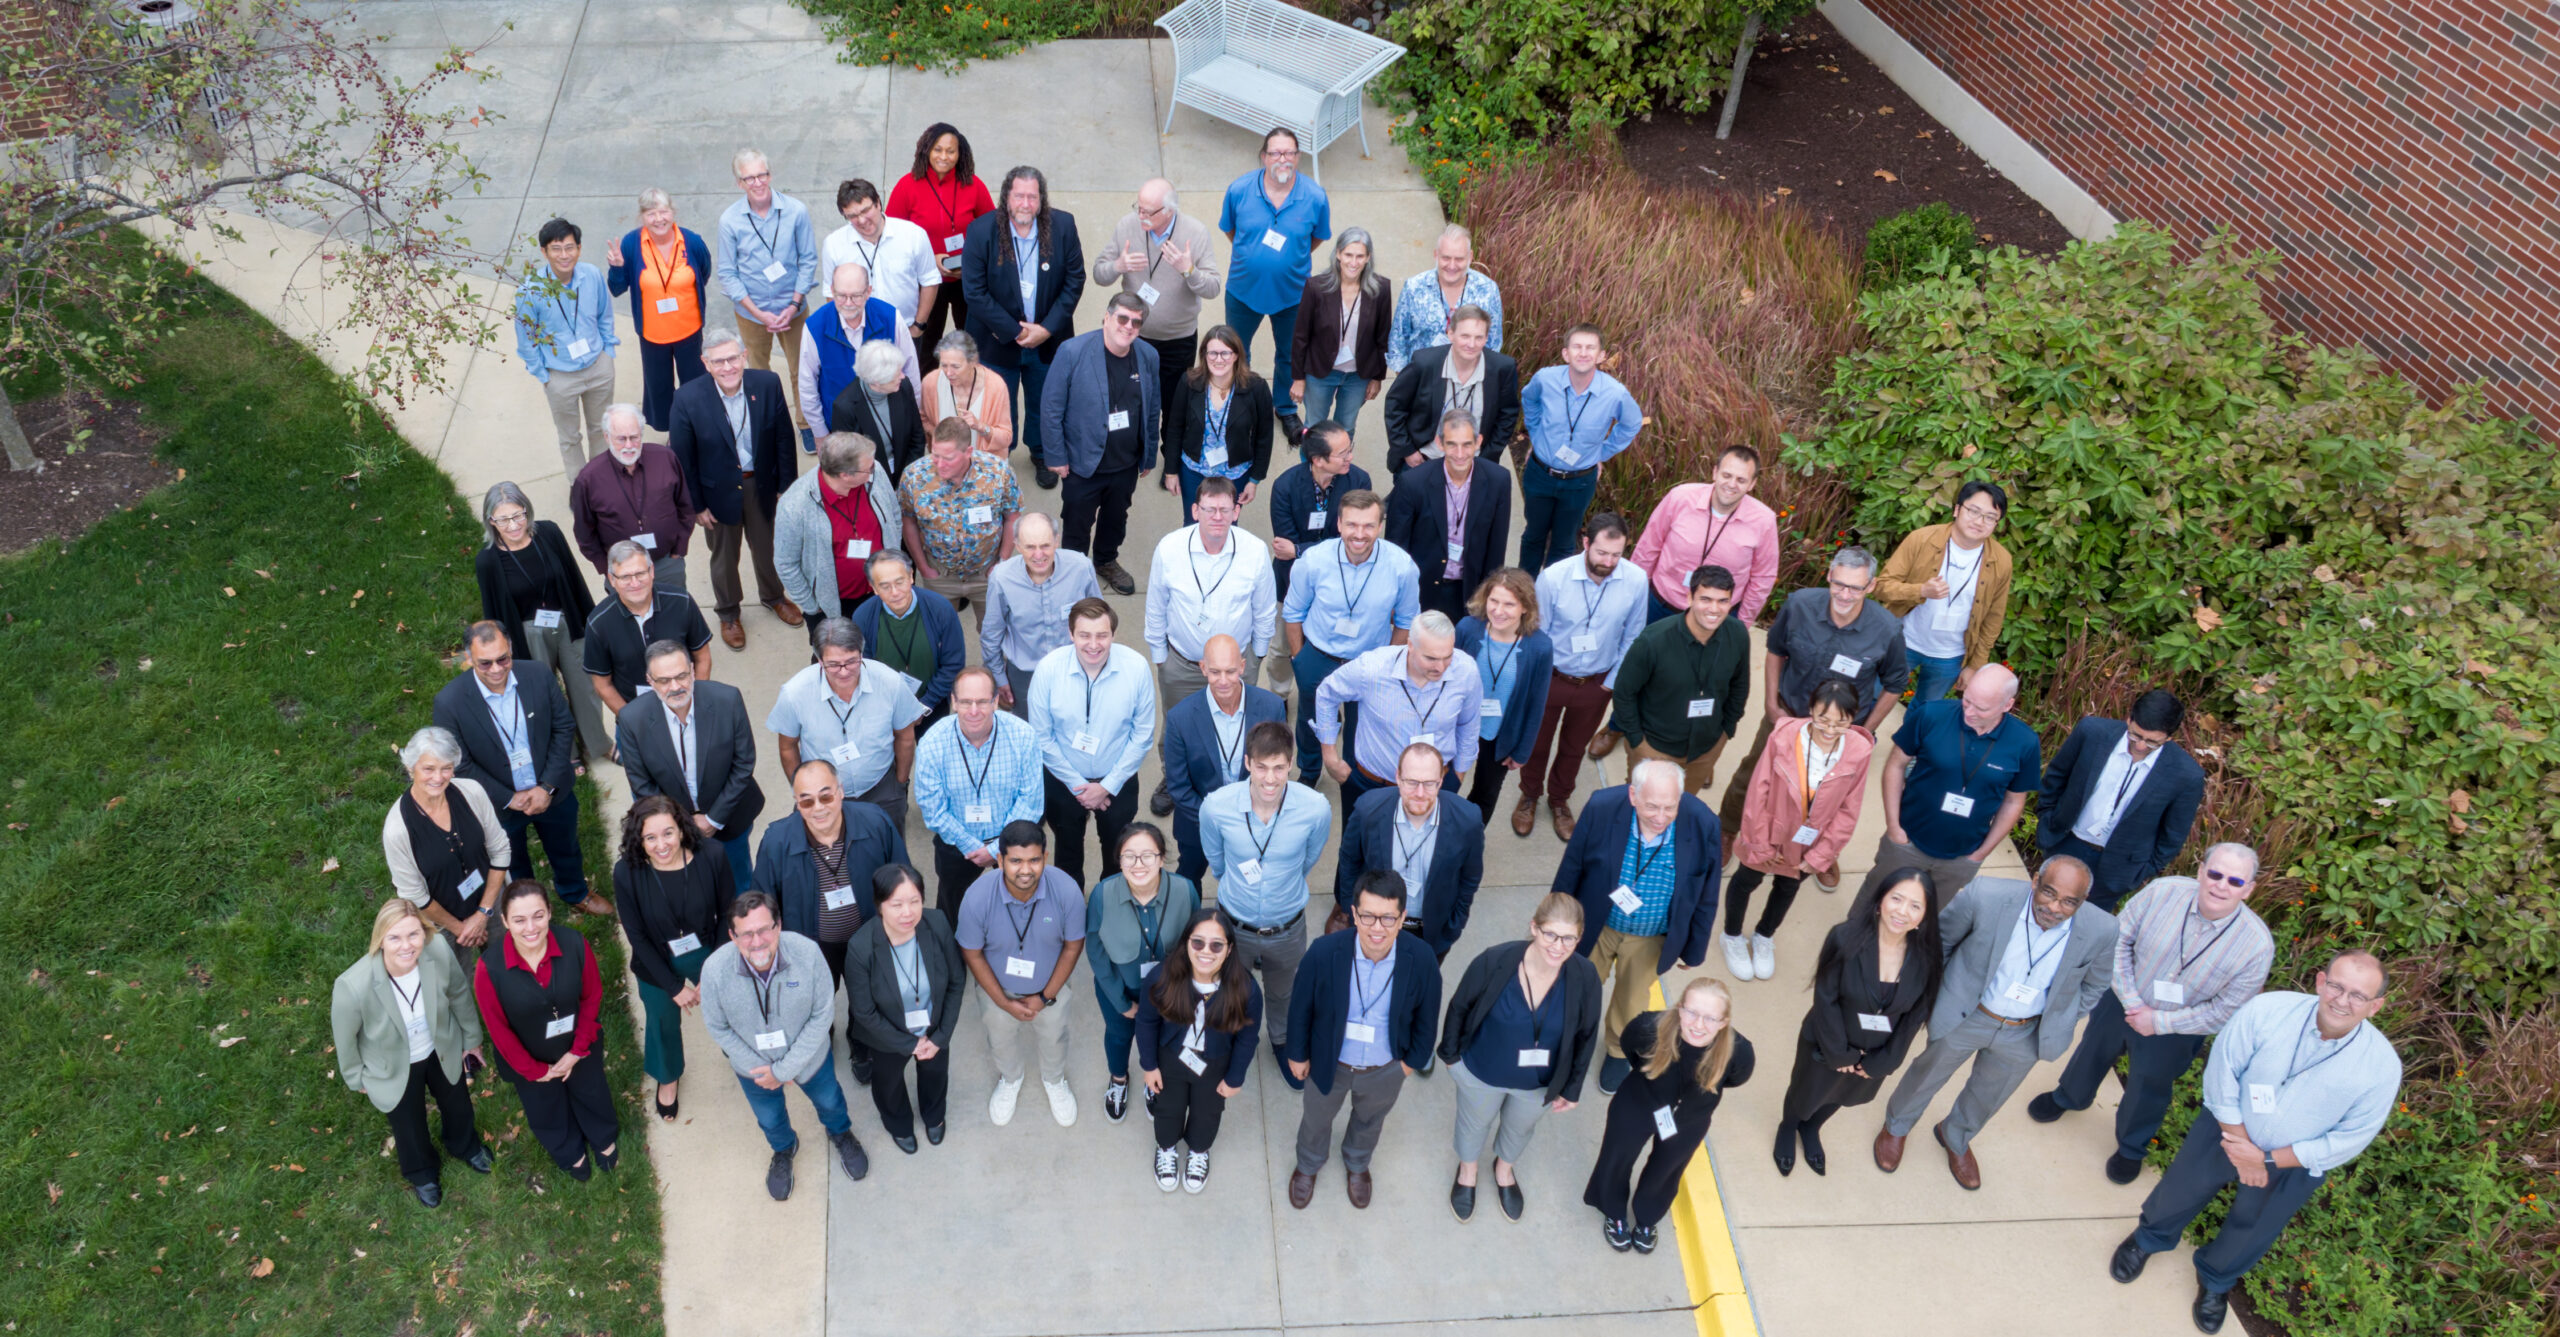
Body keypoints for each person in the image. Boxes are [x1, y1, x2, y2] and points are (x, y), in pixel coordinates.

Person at [2109, 952, 2402, 1335]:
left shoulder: (2381, 1066)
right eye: (2336, 986)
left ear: (2375, 1005)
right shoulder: (2268, 1010)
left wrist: (2265, 1159)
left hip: (2292, 1164)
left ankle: (2216, 1280)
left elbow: (2349, 1138)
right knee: (2181, 1189)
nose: (2342, 1000)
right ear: (2319, 981)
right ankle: (2148, 1238)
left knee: (2255, 1226)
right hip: (2226, 1130)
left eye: (2358, 996)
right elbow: (2223, 1072)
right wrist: (2242, 1146)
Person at [2031, 845, 2274, 1183]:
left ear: (2248, 889)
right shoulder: (2163, 892)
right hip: (2122, 998)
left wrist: (2158, 1022)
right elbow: (2118, 941)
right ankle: (2069, 1096)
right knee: (2092, 1051)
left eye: (2234, 881)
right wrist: (2132, 1002)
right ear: (2201, 871)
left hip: (2178, 1029)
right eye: (2215, 874)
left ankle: (2131, 1146)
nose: (2221, 885)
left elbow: (2225, 1010)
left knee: (2150, 1085)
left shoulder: (2256, 946)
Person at [1874, 857, 2118, 1190]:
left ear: (2082, 901)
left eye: (2069, 902)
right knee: (1927, 1074)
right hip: (1969, 1013)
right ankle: (1897, 1126)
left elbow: (2095, 985)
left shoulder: (2102, 930)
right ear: (2035, 881)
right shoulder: (1985, 895)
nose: (2055, 907)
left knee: (1989, 1094)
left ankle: (1955, 1135)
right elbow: (1939, 944)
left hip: (2027, 1031)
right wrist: (1934, 998)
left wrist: (2061, 1019)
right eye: (2049, 893)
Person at [1555, 759, 1724, 1094]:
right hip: (1597, 924)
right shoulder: (1602, 807)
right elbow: (1572, 864)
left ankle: (1618, 1049)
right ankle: (1568, 1040)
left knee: (1632, 1000)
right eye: (1651, 807)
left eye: (1669, 807)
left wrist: (1695, 947)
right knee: (1575, 986)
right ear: (1633, 795)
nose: (1660, 817)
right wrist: (1558, 921)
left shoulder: (1703, 823)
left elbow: (1707, 890)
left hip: (1651, 935)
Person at [1713, 546, 1904, 837]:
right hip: (1788, 715)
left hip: (1839, 730)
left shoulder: (1887, 629)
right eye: (1838, 584)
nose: (1844, 594)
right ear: (1829, 576)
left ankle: (1816, 849)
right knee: (1753, 774)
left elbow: (1895, 684)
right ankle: (1726, 829)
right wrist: (1771, 705)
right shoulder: (1799, 605)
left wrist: (1863, 731)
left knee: (1828, 793)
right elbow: (1776, 651)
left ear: (1871, 586)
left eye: (1855, 588)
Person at [1285, 870, 1443, 1211]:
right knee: (1316, 1117)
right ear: (1354, 914)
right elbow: (1300, 1008)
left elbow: (1427, 1019)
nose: (1377, 928)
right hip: (1330, 1061)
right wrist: (1297, 1054)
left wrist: (1408, 1064)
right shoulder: (1324, 952)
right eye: (1368, 915)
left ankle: (1357, 1163)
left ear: (1402, 918)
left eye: (1388, 918)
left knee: (1370, 1119)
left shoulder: (1422, 960)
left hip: (1384, 1067)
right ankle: (1309, 1164)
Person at [1438, 893, 1602, 1221]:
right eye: (1550, 934)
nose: (1558, 946)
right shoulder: (1494, 961)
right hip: (1482, 1073)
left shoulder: (1585, 977)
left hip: (1538, 1084)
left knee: (1519, 1129)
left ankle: (1504, 1170)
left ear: (1579, 938)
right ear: (1534, 928)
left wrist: (1572, 1087)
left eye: (1569, 938)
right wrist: (1452, 1059)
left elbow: (1587, 1033)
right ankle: (1467, 1172)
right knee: (1473, 1126)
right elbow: (1459, 1007)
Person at [699, 891, 870, 1200]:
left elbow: (822, 1014)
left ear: (778, 925)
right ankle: (783, 1148)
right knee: (769, 1118)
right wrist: (765, 1070)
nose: (757, 941)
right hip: (754, 1069)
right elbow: (718, 1027)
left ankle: (840, 1132)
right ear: (732, 936)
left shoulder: (808, 954)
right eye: (746, 933)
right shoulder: (713, 971)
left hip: (809, 1060)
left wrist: (785, 1068)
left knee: (830, 1101)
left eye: (765, 929)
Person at [1772, 867, 1941, 1177]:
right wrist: (1841, 1054)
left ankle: (1812, 1129)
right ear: (1880, 900)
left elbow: (1915, 1016)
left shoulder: (1927, 958)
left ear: (1925, 915)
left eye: (1915, 905)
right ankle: (1789, 1127)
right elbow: (1825, 998)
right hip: (1829, 1041)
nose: (1903, 911)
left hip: (1875, 1055)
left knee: (1841, 1095)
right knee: (1805, 1091)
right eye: (1897, 899)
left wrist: (1884, 1062)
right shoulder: (1844, 937)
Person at [434, 621, 604, 917]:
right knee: (511, 860)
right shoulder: (449, 702)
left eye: (503, 659)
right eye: (485, 663)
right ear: (468, 659)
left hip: (552, 790)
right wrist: (510, 798)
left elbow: (563, 728)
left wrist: (547, 786)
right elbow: (459, 765)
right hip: (499, 804)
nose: (497, 669)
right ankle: (527, 909)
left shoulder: (538, 675)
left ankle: (575, 891)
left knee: (566, 847)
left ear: (511, 649)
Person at [332, 898, 494, 1208]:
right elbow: (345, 1039)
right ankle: (422, 1172)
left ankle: (464, 1145)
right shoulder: (352, 985)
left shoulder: (438, 952)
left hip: (440, 1046)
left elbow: (459, 993)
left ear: (425, 933)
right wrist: (356, 1077)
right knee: (408, 1122)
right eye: (395, 937)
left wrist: (471, 1040)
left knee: (457, 1102)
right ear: (380, 939)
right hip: (392, 1062)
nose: (406, 946)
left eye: (413, 935)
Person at [755, 759, 909, 1080]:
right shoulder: (776, 841)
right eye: (807, 800)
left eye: (825, 796)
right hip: (811, 945)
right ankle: (820, 1035)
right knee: (814, 1000)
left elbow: (901, 877)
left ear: (840, 793)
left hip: (866, 940)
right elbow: (763, 903)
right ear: (797, 804)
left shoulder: (875, 822)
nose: (818, 808)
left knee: (865, 997)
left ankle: (860, 1039)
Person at [1199, 721, 1332, 1086]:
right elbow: (1217, 861)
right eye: (1261, 767)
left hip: (1287, 927)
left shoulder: (1315, 808)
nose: (1270, 778)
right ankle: (1231, 1043)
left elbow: (1308, 860)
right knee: (1231, 991)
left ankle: (1280, 1040)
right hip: (1234, 925)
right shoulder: (1217, 807)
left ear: (1290, 764)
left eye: (1278, 767)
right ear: (1247, 763)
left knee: (1284, 992)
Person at [1583, 977, 1752, 1253]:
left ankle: (1647, 1217)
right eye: (1692, 1012)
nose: (1698, 1025)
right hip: (1639, 1101)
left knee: (1667, 1169)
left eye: (1710, 1018)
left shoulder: (1739, 1051)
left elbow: (1736, 1078)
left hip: (1690, 1117)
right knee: (1617, 1156)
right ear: (1679, 1009)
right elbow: (1630, 1047)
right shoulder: (1649, 1028)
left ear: (1724, 1022)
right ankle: (1613, 1210)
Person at [1723, 679, 1874, 981]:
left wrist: (1822, 855)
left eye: (1840, 723)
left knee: (1788, 887)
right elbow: (1758, 791)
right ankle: (1731, 936)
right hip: (1770, 830)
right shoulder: (1783, 736)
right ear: (1811, 710)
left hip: (1809, 841)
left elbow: (1849, 809)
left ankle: (1765, 935)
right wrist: (1759, 842)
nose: (1830, 730)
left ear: (1854, 716)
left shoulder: (1859, 750)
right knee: (1746, 880)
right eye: (1822, 719)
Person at [1144, 475, 1277, 817]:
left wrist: (1257, 655)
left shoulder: (1254, 551)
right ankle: (1172, 780)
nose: (1217, 517)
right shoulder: (1170, 548)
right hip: (1183, 663)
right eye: (1209, 509)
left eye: (1224, 509)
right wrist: (1161, 658)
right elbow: (1156, 606)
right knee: (1177, 724)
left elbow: (1264, 610)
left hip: (1236, 665)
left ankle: (1235, 778)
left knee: (1235, 724)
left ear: (1236, 511)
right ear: (1194, 510)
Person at [471, 879, 620, 1181]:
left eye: (538, 915)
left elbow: (591, 997)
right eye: (519, 919)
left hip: (578, 1041)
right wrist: (534, 1070)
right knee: (545, 1106)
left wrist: (578, 1051)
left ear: (550, 912)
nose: (530, 928)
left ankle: (602, 1135)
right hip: (528, 1055)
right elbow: (498, 1030)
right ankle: (568, 1148)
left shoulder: (575, 944)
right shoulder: (489, 968)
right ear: (504, 921)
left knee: (591, 1090)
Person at [668, 326, 800, 649]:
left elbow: (784, 437)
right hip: (716, 495)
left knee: (768, 548)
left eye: (733, 359)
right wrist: (696, 505)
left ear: (744, 356)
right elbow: (682, 459)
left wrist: (787, 486)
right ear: (705, 363)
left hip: (763, 485)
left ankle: (773, 596)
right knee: (724, 558)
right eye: (718, 362)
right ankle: (728, 613)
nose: (727, 368)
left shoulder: (768, 384)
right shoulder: (687, 398)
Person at [1521, 512, 1650, 837]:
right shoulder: (1553, 578)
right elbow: (1537, 633)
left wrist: (1610, 684)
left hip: (1595, 683)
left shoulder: (1635, 580)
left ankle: (1560, 800)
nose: (1608, 562)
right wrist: (1538, 680)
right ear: (1586, 542)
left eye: (1616, 555)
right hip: (1552, 678)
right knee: (1537, 744)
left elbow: (1633, 636)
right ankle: (1529, 795)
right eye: (1602, 553)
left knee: (1574, 747)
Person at [1862, 664, 2041, 897]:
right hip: (1907, 840)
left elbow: (2014, 801)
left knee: (1926, 922)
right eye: (1967, 700)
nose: (1969, 712)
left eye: (1982, 708)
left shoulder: (2025, 742)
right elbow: (1896, 764)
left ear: (2007, 705)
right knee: (1873, 900)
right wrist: (1894, 828)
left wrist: (1980, 854)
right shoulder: (1930, 715)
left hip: (1961, 857)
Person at [1278, 487, 1419, 783]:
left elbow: (1406, 621)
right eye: (1352, 524)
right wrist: (1298, 658)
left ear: (1380, 526)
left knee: (1365, 722)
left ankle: (1356, 772)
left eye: (1369, 525)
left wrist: (1389, 663)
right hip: (1318, 655)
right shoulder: (1313, 561)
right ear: (1339, 524)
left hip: (1369, 660)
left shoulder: (1402, 568)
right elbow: (1293, 613)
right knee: (1311, 717)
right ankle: (1310, 768)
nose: (1360, 534)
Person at [612, 795, 736, 1123]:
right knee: (662, 1019)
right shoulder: (627, 872)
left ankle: (740, 1051)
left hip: (710, 947)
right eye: (650, 837)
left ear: (681, 829)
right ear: (639, 839)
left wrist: (714, 969)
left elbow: (728, 912)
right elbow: (636, 936)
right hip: (655, 957)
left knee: (731, 1003)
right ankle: (668, 1075)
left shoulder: (713, 855)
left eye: (667, 833)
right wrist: (673, 986)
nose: (661, 845)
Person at [956, 820, 1089, 1125]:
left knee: (1055, 1037)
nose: (1025, 870)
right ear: (999, 860)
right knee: (999, 1039)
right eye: (1015, 861)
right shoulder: (977, 897)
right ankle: (1011, 1078)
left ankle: (1054, 1080)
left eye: (1034, 860)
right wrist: (1003, 1003)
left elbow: (1073, 947)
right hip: (997, 993)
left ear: (1045, 856)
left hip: (1050, 990)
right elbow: (972, 954)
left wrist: (1045, 996)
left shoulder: (1066, 891)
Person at [962, 165, 1084, 488]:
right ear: (1006, 197)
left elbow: (1074, 281)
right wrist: (1016, 331)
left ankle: (1041, 452)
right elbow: (974, 293)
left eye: (1033, 196)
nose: (1026, 203)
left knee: (1044, 400)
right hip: (995, 341)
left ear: (1041, 199)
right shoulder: (980, 231)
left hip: (1047, 339)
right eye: (1019, 196)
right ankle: (1001, 455)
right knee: (999, 404)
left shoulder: (1063, 226)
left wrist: (1045, 328)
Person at [614, 640, 765, 892]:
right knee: (693, 889)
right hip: (673, 830)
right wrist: (679, 824)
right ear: (650, 681)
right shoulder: (631, 719)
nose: (675, 687)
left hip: (730, 817)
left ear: (693, 671)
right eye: (664, 680)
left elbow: (743, 763)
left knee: (740, 883)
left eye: (682, 676)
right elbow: (641, 783)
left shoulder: (728, 700)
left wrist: (714, 818)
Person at [2035, 690, 2206, 913]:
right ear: (2129, 719)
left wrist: (2140, 871)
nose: (2141, 746)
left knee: (2086, 929)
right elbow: (2057, 775)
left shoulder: (2186, 774)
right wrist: (2047, 818)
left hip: (2116, 868)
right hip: (2065, 841)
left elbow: (2173, 835)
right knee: (2041, 909)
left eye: (2152, 742)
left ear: (2170, 737)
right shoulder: (2091, 732)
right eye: (2135, 735)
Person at [472, 484, 608, 760]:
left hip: (567, 621)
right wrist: (502, 652)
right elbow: (493, 610)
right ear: (491, 521)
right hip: (527, 634)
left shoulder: (549, 533)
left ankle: (599, 745)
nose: (513, 525)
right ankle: (566, 752)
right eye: (503, 519)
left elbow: (573, 576)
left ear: (527, 510)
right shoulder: (487, 560)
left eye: (518, 515)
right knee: (543, 696)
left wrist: (591, 621)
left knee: (586, 687)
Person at [1027, 597, 1156, 884]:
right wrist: (1079, 786)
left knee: (1117, 852)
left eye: (1102, 635)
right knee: (1067, 853)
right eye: (1084, 635)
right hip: (1063, 781)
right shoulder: (1048, 670)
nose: (1093, 644)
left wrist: (1107, 786)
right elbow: (1041, 737)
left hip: (1118, 781)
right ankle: (1069, 911)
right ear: (1071, 634)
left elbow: (1142, 735)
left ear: (1113, 634)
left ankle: (1108, 909)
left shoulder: (1136, 668)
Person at [842, 863, 967, 1153]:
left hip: (934, 1027)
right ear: (880, 905)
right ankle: (898, 1124)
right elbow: (863, 1011)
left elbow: (956, 983)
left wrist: (939, 1037)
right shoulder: (861, 947)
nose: (907, 913)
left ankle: (934, 1116)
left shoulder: (937, 924)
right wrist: (910, 1043)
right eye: (896, 904)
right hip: (888, 1037)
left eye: (915, 902)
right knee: (888, 1084)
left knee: (936, 1074)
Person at [1041, 291, 1159, 594]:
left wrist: (1148, 456)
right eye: (1122, 318)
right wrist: (1055, 455)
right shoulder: (1072, 351)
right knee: (1077, 523)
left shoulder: (1147, 356)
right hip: (1082, 463)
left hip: (1126, 462)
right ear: (1106, 318)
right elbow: (1052, 407)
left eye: (1136, 322)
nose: (1128, 326)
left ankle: (1106, 560)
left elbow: (1153, 406)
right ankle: (1073, 571)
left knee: (1116, 520)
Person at [1085, 823, 1203, 1125]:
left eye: (1147, 855)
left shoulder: (1184, 890)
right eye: (1129, 856)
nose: (1138, 864)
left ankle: (1154, 1081)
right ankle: (1119, 1080)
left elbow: (1195, 943)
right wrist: (1122, 1003)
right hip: (1121, 989)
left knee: (1163, 1040)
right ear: (1119, 860)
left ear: (1162, 858)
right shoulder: (1102, 894)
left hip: (1170, 991)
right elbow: (1096, 951)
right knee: (1119, 1035)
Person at [1137, 907, 1261, 1192]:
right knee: (1168, 1107)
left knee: (1208, 1111)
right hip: (1171, 1056)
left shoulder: (1246, 989)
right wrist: (1149, 1065)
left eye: (1217, 945)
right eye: (1198, 942)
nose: (1207, 951)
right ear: (1186, 943)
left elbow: (1247, 1037)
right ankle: (1166, 1148)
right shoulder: (1162, 978)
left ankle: (1198, 1151)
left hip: (1216, 1062)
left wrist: (1235, 1078)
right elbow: (1146, 1021)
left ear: (1229, 950)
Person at [1220, 127, 1331, 444]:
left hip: (1293, 295)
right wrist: (1254, 255)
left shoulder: (1314, 197)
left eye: (1289, 153)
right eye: (1275, 153)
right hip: (1243, 291)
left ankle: (1284, 408)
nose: (1283, 159)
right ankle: (1243, 403)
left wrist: (1290, 259)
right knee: (1238, 353)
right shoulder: (1239, 190)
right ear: (1263, 156)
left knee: (1289, 355)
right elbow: (1231, 230)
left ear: (1298, 157)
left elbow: (1318, 237)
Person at [1096, 178, 1224, 449]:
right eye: (1138, 207)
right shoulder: (1127, 225)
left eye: (1147, 211)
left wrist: (1188, 270)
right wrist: (1118, 265)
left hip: (1176, 340)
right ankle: (1135, 448)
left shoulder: (1196, 233)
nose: (1140, 215)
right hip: (1131, 336)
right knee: (1132, 398)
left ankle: (1171, 455)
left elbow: (1213, 288)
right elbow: (1099, 273)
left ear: (1169, 210)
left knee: (1174, 402)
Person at [912, 667, 1045, 920]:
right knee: (952, 911)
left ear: (995, 701)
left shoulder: (1023, 736)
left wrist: (996, 847)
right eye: (966, 702)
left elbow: (1030, 802)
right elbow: (932, 808)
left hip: (1012, 842)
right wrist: (970, 845)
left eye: (982, 701)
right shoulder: (933, 743)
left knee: (1020, 912)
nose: (974, 711)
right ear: (953, 702)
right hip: (956, 843)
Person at [1313, 611, 1483, 809]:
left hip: (1435, 786)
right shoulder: (1371, 668)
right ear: (1410, 645)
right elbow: (1326, 693)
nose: (1441, 667)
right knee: (1361, 840)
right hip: (1373, 785)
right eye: (1431, 658)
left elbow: (1469, 724)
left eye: (1448, 657)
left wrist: (1459, 774)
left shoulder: (1466, 671)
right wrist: (1330, 757)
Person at [1610, 563, 1752, 800]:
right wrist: (1637, 742)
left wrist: (1726, 732)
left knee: (1681, 807)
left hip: (1705, 750)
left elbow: (1740, 686)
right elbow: (1624, 693)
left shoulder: (1737, 634)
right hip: (1654, 747)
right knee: (1642, 806)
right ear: (1689, 598)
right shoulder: (1653, 641)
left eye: (1723, 601)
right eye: (1705, 599)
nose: (1714, 609)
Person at [1334, 742, 1485, 963]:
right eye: (1412, 782)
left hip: (1432, 934)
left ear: (1441, 780)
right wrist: (1354, 912)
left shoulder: (1468, 820)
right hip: (1376, 928)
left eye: (1429, 783)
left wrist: (1453, 926)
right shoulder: (1368, 810)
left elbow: (1470, 879)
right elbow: (1348, 861)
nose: (1420, 793)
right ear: (1398, 777)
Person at [768, 617, 925, 822]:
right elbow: (787, 746)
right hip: (822, 797)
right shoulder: (794, 694)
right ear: (819, 660)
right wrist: (803, 793)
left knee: (889, 852)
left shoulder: (890, 683)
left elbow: (905, 736)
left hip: (882, 790)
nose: (843, 672)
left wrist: (900, 783)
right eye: (833, 664)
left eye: (851, 661)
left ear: (862, 653)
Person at [714, 149, 820, 453]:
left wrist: (793, 305)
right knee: (757, 374)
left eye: (761, 175)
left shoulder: (796, 211)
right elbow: (728, 273)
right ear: (739, 183)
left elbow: (808, 260)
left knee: (803, 368)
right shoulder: (730, 221)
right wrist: (759, 313)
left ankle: (806, 423)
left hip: (794, 309)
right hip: (751, 313)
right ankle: (768, 425)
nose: (757, 182)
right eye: (749, 178)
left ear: (770, 175)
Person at [1160, 634, 1286, 880]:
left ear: (1242, 666)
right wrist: (1217, 821)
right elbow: (1178, 786)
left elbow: (1276, 769)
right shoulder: (1180, 718)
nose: (1223, 681)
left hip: (1256, 821)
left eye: (1230, 671)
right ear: (1203, 668)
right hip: (1198, 823)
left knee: (1251, 880)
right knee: (1189, 877)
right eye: (1215, 672)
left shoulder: (1271, 707)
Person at [1875, 480, 2014, 704]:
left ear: (1996, 524)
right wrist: (1920, 590)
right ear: (1957, 509)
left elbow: (1993, 619)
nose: (1979, 522)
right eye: (1974, 511)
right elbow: (1882, 586)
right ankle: (1858, 738)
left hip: (1950, 655)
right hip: (1902, 640)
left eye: (1990, 517)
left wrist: (1975, 665)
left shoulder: (2001, 561)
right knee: (1871, 696)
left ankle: (1900, 742)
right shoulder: (1921, 539)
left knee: (1924, 714)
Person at [1517, 325, 1642, 572]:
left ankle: (1551, 594)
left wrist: (1601, 453)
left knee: (1563, 543)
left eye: (1590, 348)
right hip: (1540, 473)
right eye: (1577, 347)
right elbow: (1529, 399)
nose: (1583, 353)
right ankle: (1524, 593)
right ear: (1566, 353)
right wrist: (1536, 433)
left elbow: (1631, 424)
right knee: (1533, 536)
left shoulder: (1615, 394)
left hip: (1579, 482)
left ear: (1601, 355)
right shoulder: (1545, 379)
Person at [382, 726, 509, 969]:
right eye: (428, 768)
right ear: (411, 768)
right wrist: (462, 929)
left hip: (490, 899)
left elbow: (500, 850)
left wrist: (483, 914)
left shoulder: (472, 792)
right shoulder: (397, 829)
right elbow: (414, 894)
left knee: (505, 969)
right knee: (455, 987)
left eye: (446, 768)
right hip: (440, 924)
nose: (438, 777)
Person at [1624, 445, 1781, 630]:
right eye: (1727, 475)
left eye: (1741, 480)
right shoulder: (1680, 498)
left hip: (1716, 619)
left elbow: (1763, 577)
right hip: (1661, 606)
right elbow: (1648, 548)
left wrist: (1741, 624)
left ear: (1752, 484)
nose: (1731, 484)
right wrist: (1632, 597)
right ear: (1715, 472)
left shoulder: (1764, 521)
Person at [514, 217, 620, 477]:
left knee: (600, 429)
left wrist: (608, 351)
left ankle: (600, 479)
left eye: (570, 247)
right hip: (560, 376)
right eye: (556, 249)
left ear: (579, 248)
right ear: (544, 252)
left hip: (598, 366)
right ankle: (579, 485)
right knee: (570, 437)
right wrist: (544, 375)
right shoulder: (531, 290)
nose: (564, 255)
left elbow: (604, 315)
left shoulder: (592, 275)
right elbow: (526, 339)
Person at [773, 430, 904, 639]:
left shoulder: (875, 472)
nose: (874, 470)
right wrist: (813, 606)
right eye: (867, 468)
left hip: (883, 592)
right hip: (835, 607)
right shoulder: (794, 506)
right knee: (839, 662)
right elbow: (786, 564)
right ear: (845, 474)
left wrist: (893, 568)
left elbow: (894, 516)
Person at [1386, 409, 1513, 620]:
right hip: (1422, 590)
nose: (1460, 454)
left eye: (1467, 444)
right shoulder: (1412, 483)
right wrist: (1396, 596)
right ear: (1439, 443)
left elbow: (1497, 545)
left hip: (1471, 590)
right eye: (1452, 444)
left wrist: (1490, 594)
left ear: (1479, 441)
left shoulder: (1499, 480)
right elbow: (1396, 547)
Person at [606, 188, 711, 432]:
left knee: (696, 389)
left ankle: (696, 431)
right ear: (642, 216)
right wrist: (617, 268)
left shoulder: (692, 241)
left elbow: (702, 274)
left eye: (664, 211)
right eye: (651, 213)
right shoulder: (632, 244)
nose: (659, 219)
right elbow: (617, 288)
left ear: (673, 212)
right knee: (659, 391)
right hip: (653, 336)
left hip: (689, 331)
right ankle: (673, 433)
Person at [580, 541, 714, 723]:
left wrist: (695, 704)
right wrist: (632, 721)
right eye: (625, 577)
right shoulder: (598, 623)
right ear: (612, 580)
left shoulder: (681, 602)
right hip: (636, 714)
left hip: (685, 706)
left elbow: (702, 657)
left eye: (640, 573)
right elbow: (602, 684)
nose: (634, 583)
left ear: (651, 571)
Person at [980, 512, 1101, 714]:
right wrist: (999, 678)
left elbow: (1098, 619)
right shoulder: (1001, 579)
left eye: (1045, 545)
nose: (1038, 555)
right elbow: (991, 635)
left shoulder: (1080, 568)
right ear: (1018, 546)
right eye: (1030, 547)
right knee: (1028, 730)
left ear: (1056, 541)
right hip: (1025, 675)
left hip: (1075, 668)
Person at [1382, 304, 1520, 480]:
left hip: (1472, 466)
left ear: (1486, 338)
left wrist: (1488, 457)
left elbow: (1507, 415)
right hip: (1423, 461)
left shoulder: (1502, 368)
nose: (1471, 344)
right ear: (1450, 334)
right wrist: (1407, 450)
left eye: (1479, 337)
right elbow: (1395, 405)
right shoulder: (1424, 363)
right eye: (1465, 336)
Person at [888, 123, 994, 353]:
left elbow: (994, 232)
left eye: (951, 151)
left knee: (974, 345)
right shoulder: (907, 186)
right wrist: (929, 259)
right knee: (925, 347)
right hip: (926, 281)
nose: (944, 156)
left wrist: (972, 262)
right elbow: (892, 239)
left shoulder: (974, 185)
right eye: (938, 149)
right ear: (926, 150)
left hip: (968, 279)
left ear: (960, 154)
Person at [900, 417, 1021, 619]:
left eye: (948, 458)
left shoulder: (998, 472)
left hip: (987, 573)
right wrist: (923, 567)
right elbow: (908, 522)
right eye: (935, 455)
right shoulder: (914, 476)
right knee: (939, 636)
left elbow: (1013, 517)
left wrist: (1002, 562)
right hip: (940, 575)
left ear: (968, 452)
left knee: (996, 635)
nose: (939, 464)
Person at [802, 265, 924, 460]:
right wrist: (820, 433)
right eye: (841, 295)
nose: (848, 303)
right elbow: (807, 384)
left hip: (888, 415)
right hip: (841, 425)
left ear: (868, 291)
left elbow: (910, 368)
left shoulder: (891, 317)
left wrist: (914, 412)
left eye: (856, 296)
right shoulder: (815, 326)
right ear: (832, 290)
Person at [569, 406, 695, 594]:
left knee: (675, 616)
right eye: (621, 438)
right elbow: (584, 533)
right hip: (623, 574)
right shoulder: (588, 479)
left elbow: (685, 506)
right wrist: (607, 569)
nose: (629, 445)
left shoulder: (665, 458)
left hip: (667, 563)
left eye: (634, 437)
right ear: (607, 437)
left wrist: (679, 549)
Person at [1288, 227, 1392, 442]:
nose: (1353, 262)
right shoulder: (1316, 287)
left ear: (1368, 258)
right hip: (1320, 373)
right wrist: (1298, 378)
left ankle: (1338, 470)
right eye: (1348, 255)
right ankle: (1309, 472)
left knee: (1345, 428)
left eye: (1360, 256)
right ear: (1338, 254)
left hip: (1358, 375)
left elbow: (1383, 337)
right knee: (1315, 428)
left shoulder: (1380, 289)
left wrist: (1377, 377)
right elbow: (1300, 337)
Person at [848, 549, 966, 731]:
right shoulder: (863, 617)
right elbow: (865, 669)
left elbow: (953, 664)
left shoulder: (940, 608)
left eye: (900, 582)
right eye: (885, 586)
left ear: (911, 576)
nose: (895, 592)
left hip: (932, 703)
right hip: (885, 705)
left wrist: (925, 705)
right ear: (874, 588)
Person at [1160, 325, 1274, 512]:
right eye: (1212, 353)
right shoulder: (1189, 382)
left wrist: (1254, 480)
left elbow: (1264, 436)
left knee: (1227, 523)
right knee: (1193, 522)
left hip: (1235, 473)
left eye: (1225, 353)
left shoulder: (1256, 387)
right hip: (1194, 471)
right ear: (1204, 355)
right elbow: (1174, 428)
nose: (1218, 359)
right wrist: (1171, 471)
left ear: (1236, 355)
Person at [1266, 419, 1370, 609]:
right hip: (1294, 578)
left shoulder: (1359, 482)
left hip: (1342, 579)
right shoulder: (1285, 487)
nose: (1351, 457)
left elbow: (1353, 540)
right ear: (1318, 460)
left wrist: (1298, 550)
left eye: (1350, 449)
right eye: (1342, 454)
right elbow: (1284, 545)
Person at [820, 178, 941, 338]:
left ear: (878, 203)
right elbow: (831, 291)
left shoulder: (913, 234)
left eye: (865, 211)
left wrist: (919, 325)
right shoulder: (834, 244)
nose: (862, 220)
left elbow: (930, 280)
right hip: (857, 334)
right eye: (852, 216)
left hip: (904, 330)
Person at [1387, 223, 1504, 373]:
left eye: (1459, 259)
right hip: (1421, 380)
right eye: (1446, 258)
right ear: (1436, 255)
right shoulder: (1414, 288)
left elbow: (1494, 343)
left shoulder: (1487, 290)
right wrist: (1405, 379)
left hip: (1468, 381)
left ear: (1470, 257)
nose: (1452, 265)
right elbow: (1398, 338)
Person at [828, 338, 931, 483]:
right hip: (871, 481)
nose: (902, 376)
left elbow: (917, 436)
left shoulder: (903, 386)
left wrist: (908, 475)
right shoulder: (845, 408)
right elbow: (848, 461)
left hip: (906, 472)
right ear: (877, 381)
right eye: (896, 374)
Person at [916, 331, 1013, 458]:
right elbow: (922, 419)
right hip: (945, 464)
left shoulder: (996, 386)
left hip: (983, 465)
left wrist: (981, 426)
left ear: (973, 361)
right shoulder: (930, 382)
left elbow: (1006, 438)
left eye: (956, 366)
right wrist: (936, 433)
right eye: (944, 365)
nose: (948, 373)